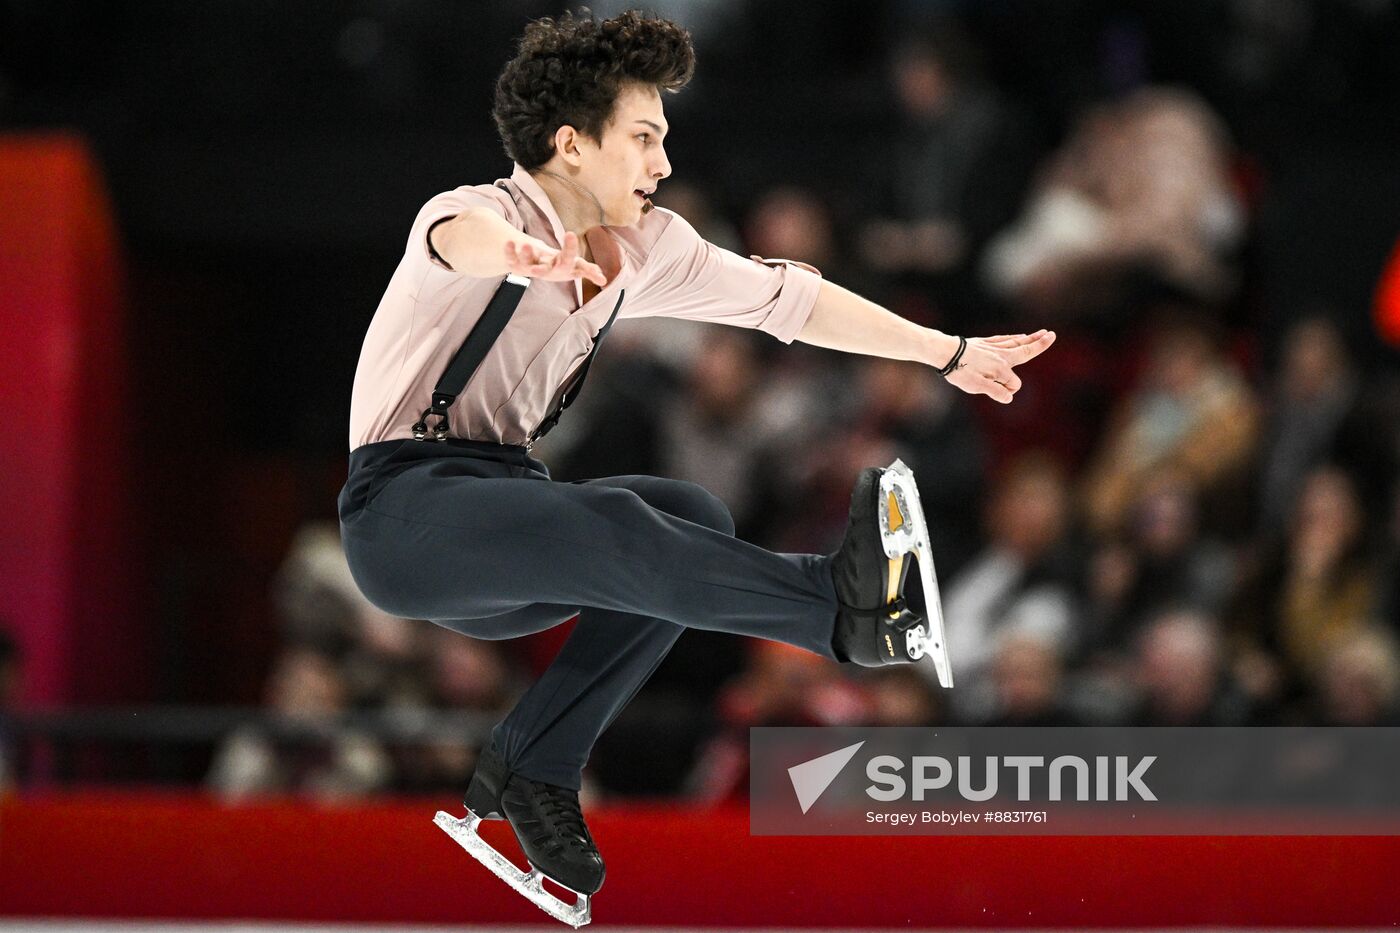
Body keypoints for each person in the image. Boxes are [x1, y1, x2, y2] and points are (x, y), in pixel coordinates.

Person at [336, 9, 1054, 918]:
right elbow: (457, 239)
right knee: (626, 526)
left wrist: (944, 351)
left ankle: (536, 757)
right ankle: (841, 612)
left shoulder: (645, 247)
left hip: (508, 515)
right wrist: (518, 256)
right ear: (571, 144)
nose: (662, 163)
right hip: (406, 519)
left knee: (691, 513)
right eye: (643, 138)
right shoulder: (477, 213)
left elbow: (789, 302)